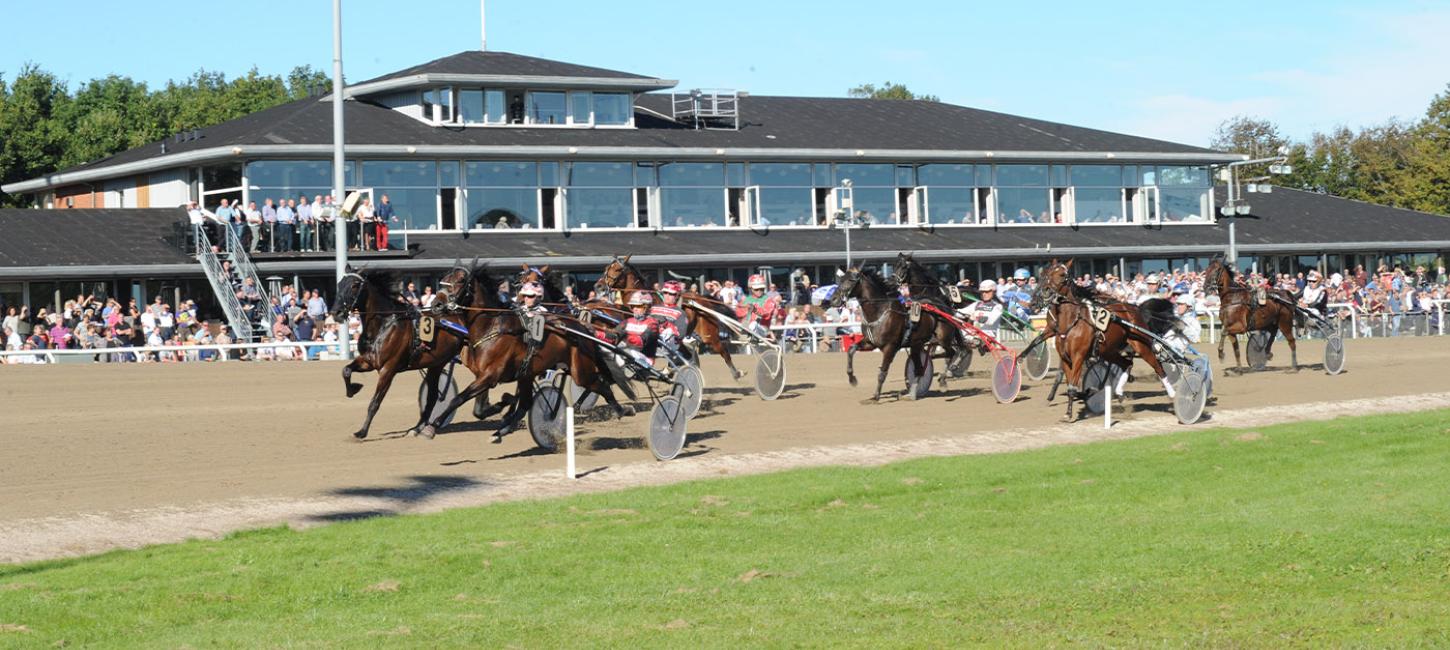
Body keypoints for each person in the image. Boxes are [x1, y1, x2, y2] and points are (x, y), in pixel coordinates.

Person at [615, 290, 661, 372]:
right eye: (633, 306)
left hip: (645, 360)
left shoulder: (653, 323)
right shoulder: (627, 321)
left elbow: (641, 341)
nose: (635, 309)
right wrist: (596, 333)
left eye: (638, 306)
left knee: (626, 351)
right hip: (626, 354)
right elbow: (614, 335)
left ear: (647, 308)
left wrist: (626, 339)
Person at [955, 279, 1004, 345]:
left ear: (994, 292)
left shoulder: (998, 306)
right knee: (954, 331)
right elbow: (961, 312)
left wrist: (976, 318)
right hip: (974, 333)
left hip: (988, 335)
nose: (984, 294)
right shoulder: (977, 304)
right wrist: (950, 311)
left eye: (987, 292)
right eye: (982, 292)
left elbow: (991, 321)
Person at [650, 280, 690, 359]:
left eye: (671, 294)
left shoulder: (680, 313)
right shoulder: (653, 308)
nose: (667, 296)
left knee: (669, 331)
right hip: (651, 338)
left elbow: (681, 333)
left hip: (668, 343)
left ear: (677, 296)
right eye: (665, 293)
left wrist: (666, 326)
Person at [737, 274, 778, 339]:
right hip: (745, 328)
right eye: (756, 289)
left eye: (762, 289)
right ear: (751, 288)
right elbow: (738, 314)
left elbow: (766, 314)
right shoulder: (744, 300)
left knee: (753, 324)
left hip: (763, 330)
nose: (759, 291)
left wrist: (755, 310)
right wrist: (744, 309)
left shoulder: (769, 300)